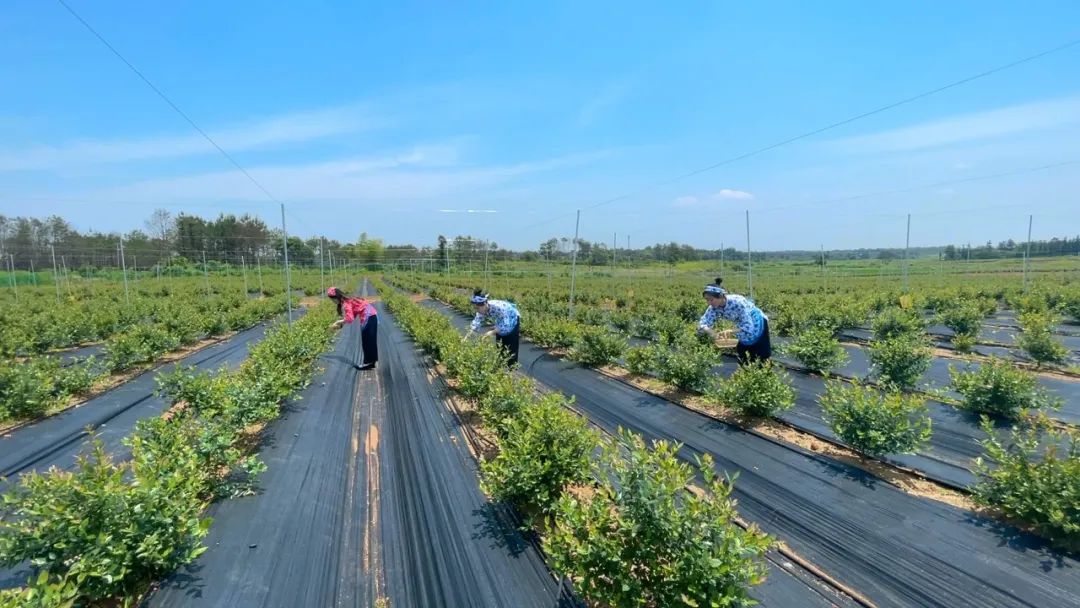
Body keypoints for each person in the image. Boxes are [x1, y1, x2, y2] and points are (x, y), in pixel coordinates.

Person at [697, 277, 771, 365]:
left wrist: (730, 331)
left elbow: (748, 326)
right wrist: (713, 333)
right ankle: (747, 372)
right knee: (743, 353)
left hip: (756, 321)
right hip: (742, 324)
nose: (709, 302)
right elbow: (703, 323)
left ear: (721, 296)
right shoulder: (713, 308)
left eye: (711, 299)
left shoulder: (737, 302)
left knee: (760, 352)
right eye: (707, 300)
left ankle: (763, 372)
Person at [463, 289, 521, 366]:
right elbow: (475, 324)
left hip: (511, 318)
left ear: (485, 304)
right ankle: (502, 365)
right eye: (475, 308)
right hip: (501, 320)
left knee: (511, 345)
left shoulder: (499, 307)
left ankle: (511, 368)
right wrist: (466, 338)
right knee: (500, 344)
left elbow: (506, 324)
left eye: (477, 308)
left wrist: (491, 332)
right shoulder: (481, 311)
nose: (476, 310)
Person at [327, 286, 378, 369]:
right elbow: (352, 315)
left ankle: (369, 363)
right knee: (369, 340)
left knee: (368, 341)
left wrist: (338, 322)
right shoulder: (347, 300)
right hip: (371, 315)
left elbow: (350, 319)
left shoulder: (346, 303)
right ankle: (371, 362)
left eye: (332, 299)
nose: (333, 301)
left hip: (368, 316)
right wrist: (342, 324)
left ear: (337, 297)